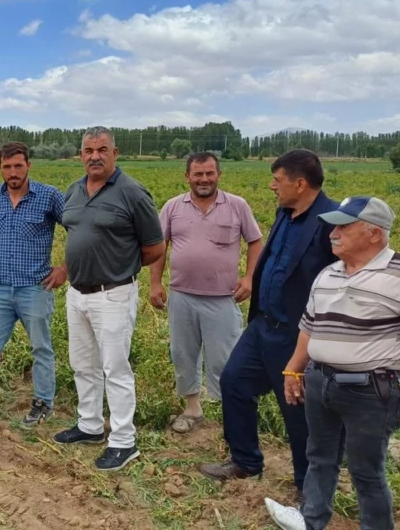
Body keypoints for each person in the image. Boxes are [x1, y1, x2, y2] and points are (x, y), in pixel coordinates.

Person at [262, 196, 400, 530]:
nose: (333, 233)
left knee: (366, 472)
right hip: (320, 382)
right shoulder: (328, 274)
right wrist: (294, 368)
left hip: (371, 390)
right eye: (333, 226)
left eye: (343, 227)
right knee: (319, 457)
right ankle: (311, 519)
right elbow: (309, 327)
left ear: (374, 233)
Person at [200, 149, 339, 501]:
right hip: (263, 324)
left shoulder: (331, 220)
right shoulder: (285, 212)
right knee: (233, 383)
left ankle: (308, 485)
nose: (272, 186)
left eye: (277, 180)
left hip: (297, 335)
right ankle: (245, 460)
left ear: (300, 183)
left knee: (296, 410)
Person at [56, 126, 165, 471]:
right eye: (88, 150)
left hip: (113, 293)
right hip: (77, 294)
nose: (95, 156)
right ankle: (89, 425)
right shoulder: (73, 190)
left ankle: (123, 440)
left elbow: (155, 247)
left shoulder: (132, 192)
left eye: (102, 149)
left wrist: (121, 267)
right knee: (83, 364)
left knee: (115, 368)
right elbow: (76, 233)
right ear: (81, 155)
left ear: (115, 153)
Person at [150, 152, 264, 434]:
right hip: (182, 296)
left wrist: (250, 278)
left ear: (219, 175)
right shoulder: (173, 207)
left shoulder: (237, 206)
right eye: (198, 174)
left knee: (226, 359)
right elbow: (159, 246)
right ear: (187, 176)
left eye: (209, 173)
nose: (204, 179)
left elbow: (256, 242)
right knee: (183, 354)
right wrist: (155, 283)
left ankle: (232, 416)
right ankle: (192, 409)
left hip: (223, 298)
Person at [0, 142, 67, 428]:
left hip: (35, 286)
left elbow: (77, 227)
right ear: (0, 168)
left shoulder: (49, 196)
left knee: (41, 348)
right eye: (7, 167)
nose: (13, 172)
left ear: (29, 165)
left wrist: (65, 268)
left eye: (18, 165)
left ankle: (43, 402)